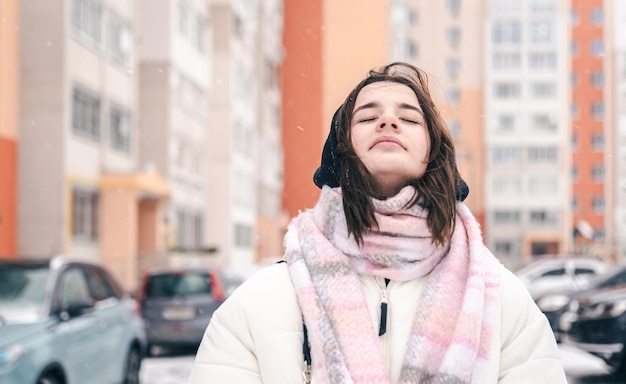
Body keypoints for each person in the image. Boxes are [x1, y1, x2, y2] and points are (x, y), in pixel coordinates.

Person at [188, 62, 567, 383]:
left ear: (433, 152)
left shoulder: (499, 297)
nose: (388, 120)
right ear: (342, 149)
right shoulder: (262, 301)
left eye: (408, 117)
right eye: (368, 116)